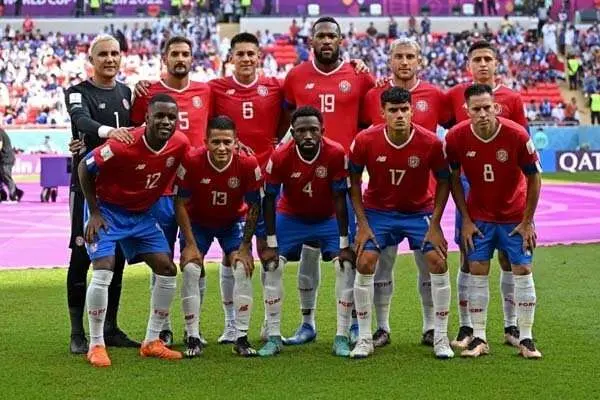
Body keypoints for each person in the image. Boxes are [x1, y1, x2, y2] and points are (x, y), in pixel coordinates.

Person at [281, 16, 374, 345]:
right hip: (305, 179)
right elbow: (286, 120)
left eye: (331, 36)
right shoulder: (295, 76)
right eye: (320, 36)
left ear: (340, 41)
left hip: (343, 180)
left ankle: (351, 324)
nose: (325, 41)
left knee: (348, 255)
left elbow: (372, 121)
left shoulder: (360, 76)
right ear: (311, 41)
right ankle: (307, 324)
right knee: (308, 253)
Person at [78, 93, 190, 367]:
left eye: (171, 117)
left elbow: (197, 160)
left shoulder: (180, 143)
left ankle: (152, 341)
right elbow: (84, 167)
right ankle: (96, 345)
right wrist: (94, 212)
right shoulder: (122, 144)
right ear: (147, 118)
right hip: (107, 213)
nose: (166, 121)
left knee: (166, 268)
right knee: (104, 268)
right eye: (160, 116)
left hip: (141, 215)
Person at [348, 87, 453, 359]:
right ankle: (366, 337)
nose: (400, 115)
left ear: (412, 111)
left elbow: (444, 180)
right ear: (382, 113)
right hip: (378, 213)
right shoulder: (365, 140)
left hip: (418, 213)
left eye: (404, 109)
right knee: (365, 262)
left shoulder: (430, 142)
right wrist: (362, 224)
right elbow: (354, 182)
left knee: (438, 262)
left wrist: (435, 223)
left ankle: (440, 336)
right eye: (393, 110)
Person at [444, 84, 542, 359]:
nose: (483, 113)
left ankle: (526, 338)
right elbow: (453, 179)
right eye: (476, 109)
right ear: (466, 111)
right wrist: (465, 219)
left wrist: (528, 221)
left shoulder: (517, 135)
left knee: (522, 269)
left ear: (496, 107)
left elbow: (534, 177)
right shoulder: (455, 137)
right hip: (480, 218)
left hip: (514, 217)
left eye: (488, 107)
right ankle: (479, 337)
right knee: (477, 269)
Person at [132, 35, 212, 347]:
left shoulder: (206, 90)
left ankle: (195, 328)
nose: (180, 58)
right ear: (164, 58)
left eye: (185, 54)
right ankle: (162, 327)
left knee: (196, 259)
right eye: (175, 53)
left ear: (192, 58)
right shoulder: (147, 92)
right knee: (161, 260)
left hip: (196, 190)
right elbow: (133, 135)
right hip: (160, 191)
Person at [207, 32, 284, 343]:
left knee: (268, 252)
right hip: (231, 183)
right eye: (240, 54)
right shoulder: (215, 88)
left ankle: (270, 324)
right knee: (232, 254)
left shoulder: (275, 87)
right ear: (231, 58)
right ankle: (230, 324)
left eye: (251, 53)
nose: (246, 59)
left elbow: (290, 118)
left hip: (267, 183)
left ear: (259, 57)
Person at [260, 106, 354, 357]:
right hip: (291, 217)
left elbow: (340, 197)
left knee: (345, 266)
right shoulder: (280, 156)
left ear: (323, 130)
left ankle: (342, 336)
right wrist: (271, 242)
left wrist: (344, 242)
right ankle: (273, 335)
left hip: (328, 218)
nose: (308, 135)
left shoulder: (336, 152)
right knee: (272, 265)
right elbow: (269, 199)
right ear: (293, 133)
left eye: (313, 130)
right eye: (301, 131)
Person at [64, 34, 137, 354]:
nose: (110, 59)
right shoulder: (77, 92)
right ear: (91, 60)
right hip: (86, 188)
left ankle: (110, 328)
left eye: (115, 54)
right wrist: (110, 134)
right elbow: (80, 120)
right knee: (81, 255)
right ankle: (77, 333)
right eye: (103, 54)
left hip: (118, 190)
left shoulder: (127, 92)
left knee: (116, 257)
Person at [174, 116, 262, 357]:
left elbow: (254, 206)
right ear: (206, 142)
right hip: (198, 223)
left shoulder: (248, 163)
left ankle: (241, 337)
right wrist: (190, 244)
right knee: (191, 269)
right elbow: (179, 203)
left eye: (227, 142)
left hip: (232, 222)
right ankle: (192, 336)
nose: (221, 148)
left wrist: (245, 247)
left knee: (242, 268)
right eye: (215, 142)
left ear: (236, 142)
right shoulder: (192, 161)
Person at [0, 128, 24, 202]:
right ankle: (14, 193)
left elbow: (0, 145)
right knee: (2, 177)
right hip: (3, 158)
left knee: (6, 176)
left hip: (6, 158)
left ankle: (13, 195)